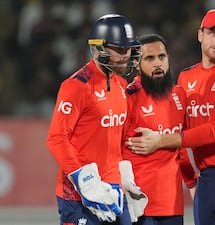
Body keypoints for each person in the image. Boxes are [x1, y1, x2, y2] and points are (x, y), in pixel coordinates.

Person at [126, 8, 215, 225]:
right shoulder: (186, 77)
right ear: (200, 35)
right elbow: (180, 127)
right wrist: (191, 180)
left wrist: (159, 140)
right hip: (206, 178)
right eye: (212, 33)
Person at [46, 14, 143, 225]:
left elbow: (116, 139)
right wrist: (85, 182)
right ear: (99, 48)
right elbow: (56, 138)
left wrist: (125, 176)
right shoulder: (76, 86)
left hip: (114, 191)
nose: (126, 55)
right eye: (119, 49)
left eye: (128, 49)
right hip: (78, 196)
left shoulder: (119, 83)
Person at [122, 34, 198, 225]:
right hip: (138, 204)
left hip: (172, 204)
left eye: (162, 57)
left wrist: (192, 183)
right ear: (137, 64)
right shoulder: (127, 99)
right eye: (149, 58)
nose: (157, 63)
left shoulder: (179, 95)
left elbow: (180, 145)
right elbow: (112, 149)